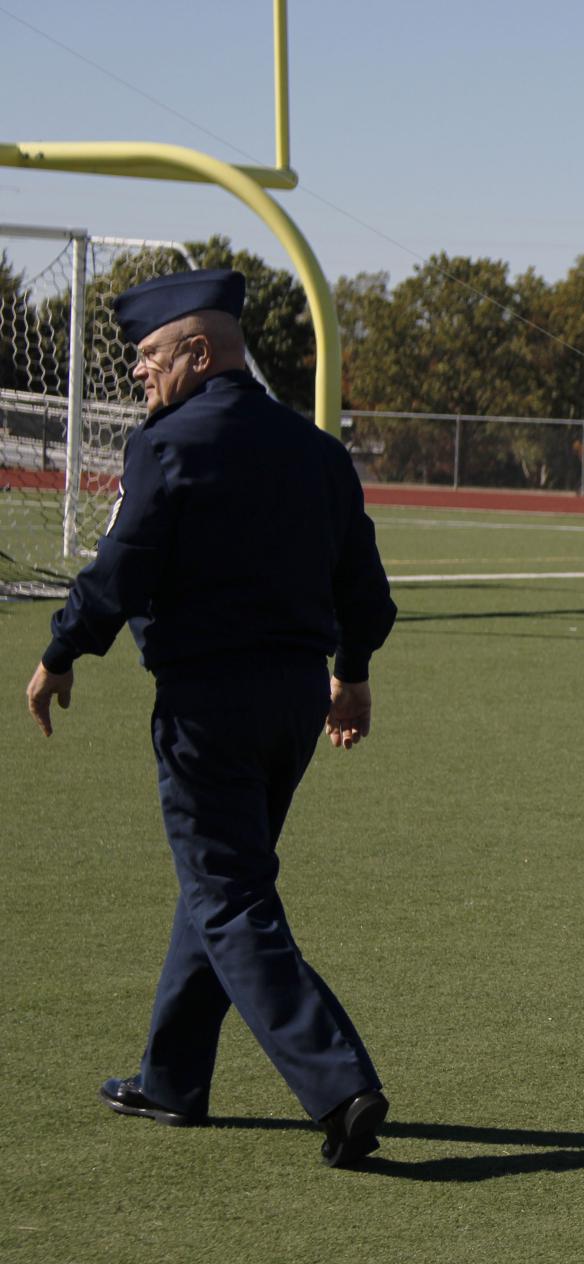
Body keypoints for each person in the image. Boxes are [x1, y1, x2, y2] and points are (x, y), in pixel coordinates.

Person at [22, 268, 398, 1169]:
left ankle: (339, 1084)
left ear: (198, 352)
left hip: (208, 706)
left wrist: (61, 649)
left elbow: (123, 569)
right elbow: (367, 592)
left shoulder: (169, 444)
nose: (140, 376)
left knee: (229, 896)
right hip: (297, 701)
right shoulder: (316, 450)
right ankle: (173, 1078)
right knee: (222, 883)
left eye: (150, 357)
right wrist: (351, 677)